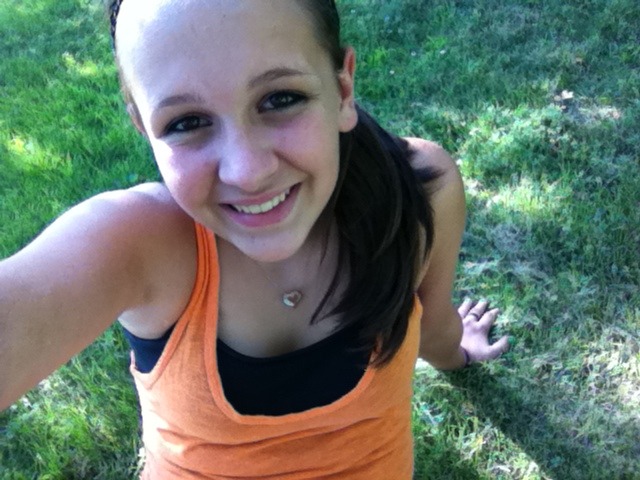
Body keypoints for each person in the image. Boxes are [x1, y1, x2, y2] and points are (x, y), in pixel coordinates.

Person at [0, 0, 509, 478]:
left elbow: (431, 324)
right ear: (142, 126)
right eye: (186, 122)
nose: (247, 172)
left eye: (280, 98)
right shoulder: (137, 243)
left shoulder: (418, 192)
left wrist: (455, 351)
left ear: (343, 89)